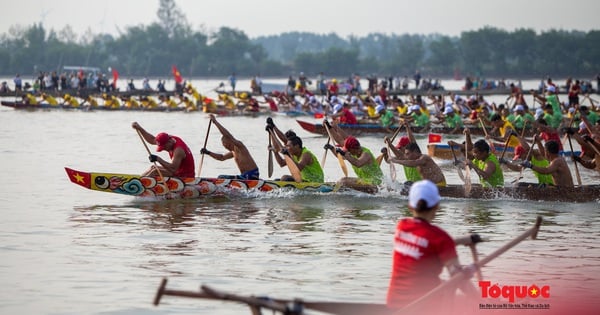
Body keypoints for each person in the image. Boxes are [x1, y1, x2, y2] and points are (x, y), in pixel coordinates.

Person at [386, 180, 479, 310]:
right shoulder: (440, 238)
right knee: (454, 284)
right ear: (437, 206)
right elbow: (457, 278)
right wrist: (470, 271)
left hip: (395, 303)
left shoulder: (402, 227)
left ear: (410, 206)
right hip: (424, 308)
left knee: (443, 284)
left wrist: (463, 240)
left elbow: (426, 245)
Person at [324, 121, 383, 188]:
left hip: (376, 184)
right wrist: (329, 128)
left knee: (343, 181)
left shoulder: (366, 154)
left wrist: (345, 153)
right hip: (365, 181)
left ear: (355, 149)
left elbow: (358, 163)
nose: (348, 152)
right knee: (342, 182)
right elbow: (339, 141)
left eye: (349, 150)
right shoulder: (352, 151)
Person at [201, 114, 260, 180]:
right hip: (244, 176)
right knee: (221, 177)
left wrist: (215, 122)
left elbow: (228, 135)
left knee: (221, 178)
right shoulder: (233, 152)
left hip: (252, 174)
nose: (226, 147)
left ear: (230, 141)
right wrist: (208, 152)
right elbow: (221, 157)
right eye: (224, 146)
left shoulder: (240, 146)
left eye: (226, 145)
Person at [131, 122, 195, 178]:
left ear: (169, 142)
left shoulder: (178, 150)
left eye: (164, 147)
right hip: (177, 170)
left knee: (155, 171)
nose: (164, 149)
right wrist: (139, 128)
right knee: (153, 167)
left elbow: (173, 169)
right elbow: (152, 139)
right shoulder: (168, 139)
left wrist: (158, 159)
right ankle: (139, 179)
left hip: (185, 176)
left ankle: (140, 184)